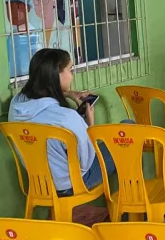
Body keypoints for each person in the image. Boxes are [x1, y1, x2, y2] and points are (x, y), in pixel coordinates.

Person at [8, 48, 114, 196]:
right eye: (70, 70)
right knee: (127, 139)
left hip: (39, 184)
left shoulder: (16, 105)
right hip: (71, 184)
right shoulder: (68, 117)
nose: (72, 76)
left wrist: (68, 93)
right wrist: (90, 125)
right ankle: (130, 203)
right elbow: (86, 160)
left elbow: (42, 97)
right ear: (56, 75)